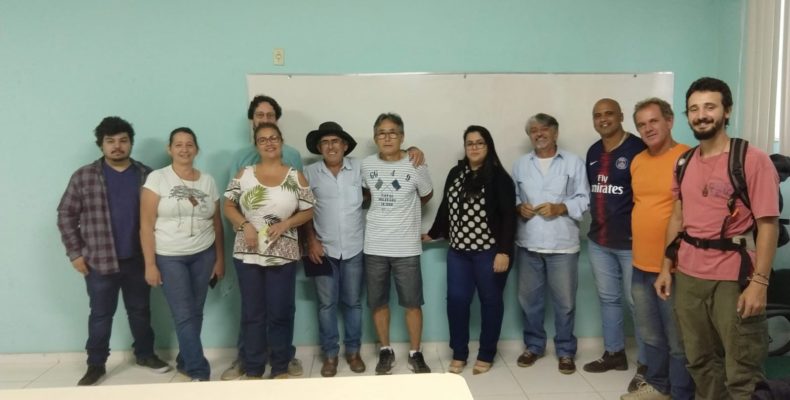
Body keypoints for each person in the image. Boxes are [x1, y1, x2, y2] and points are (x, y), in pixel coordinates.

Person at [655, 77, 779, 399]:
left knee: (742, 371)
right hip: (689, 277)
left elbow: (768, 224)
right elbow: (678, 218)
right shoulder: (684, 163)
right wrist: (666, 267)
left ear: (727, 111)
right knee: (699, 362)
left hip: (733, 279)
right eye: (694, 109)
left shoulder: (751, 159)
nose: (701, 115)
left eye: (709, 107)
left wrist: (760, 283)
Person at [303, 121, 426, 377]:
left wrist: (413, 149)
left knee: (353, 303)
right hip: (322, 250)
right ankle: (329, 355)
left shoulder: (361, 167)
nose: (331, 146)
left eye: (336, 141)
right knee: (326, 305)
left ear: (345, 145)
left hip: (355, 248)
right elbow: (303, 209)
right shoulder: (309, 172)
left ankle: (353, 352)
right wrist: (311, 241)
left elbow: (384, 179)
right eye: (325, 142)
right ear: (318, 147)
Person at [56, 116, 171, 386]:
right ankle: (96, 364)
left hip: (139, 260)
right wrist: (75, 253)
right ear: (101, 145)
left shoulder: (147, 175)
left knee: (140, 311)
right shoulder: (84, 176)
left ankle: (145, 354)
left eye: (123, 140)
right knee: (100, 315)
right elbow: (65, 214)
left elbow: (163, 215)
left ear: (131, 143)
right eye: (110, 141)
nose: (117, 146)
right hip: (98, 261)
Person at [221, 94, 304, 380]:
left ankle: (282, 361)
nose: (269, 142)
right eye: (260, 116)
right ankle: (250, 363)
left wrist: (290, 228)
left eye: (270, 117)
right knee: (252, 310)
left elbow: (306, 206)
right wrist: (244, 225)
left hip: (284, 248)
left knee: (281, 309)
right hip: (249, 248)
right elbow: (230, 204)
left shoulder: (293, 162)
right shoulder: (242, 164)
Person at [423, 125, 516, 375]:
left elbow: (509, 217)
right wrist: (433, 233)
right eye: (470, 143)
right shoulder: (456, 173)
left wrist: (504, 251)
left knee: (491, 302)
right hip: (458, 253)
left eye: (479, 143)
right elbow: (446, 207)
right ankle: (459, 353)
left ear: (488, 146)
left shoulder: (500, 178)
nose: (474, 147)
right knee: (456, 301)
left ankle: (486, 353)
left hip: (489, 252)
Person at [622, 98, 694, 400]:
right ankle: (658, 386)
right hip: (640, 264)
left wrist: (669, 260)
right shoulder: (638, 161)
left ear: (669, 121)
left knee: (677, 339)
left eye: (653, 121)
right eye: (641, 124)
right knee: (650, 334)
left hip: (673, 267)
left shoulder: (688, 158)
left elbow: (689, 214)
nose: (648, 128)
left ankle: (681, 392)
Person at [139, 127, 225, 382]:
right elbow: (146, 224)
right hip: (169, 256)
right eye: (178, 144)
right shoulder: (157, 179)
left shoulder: (207, 181)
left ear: (196, 149)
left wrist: (219, 259)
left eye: (189, 144)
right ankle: (199, 371)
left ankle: (185, 361)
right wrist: (150, 264)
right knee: (184, 314)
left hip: (203, 254)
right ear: (170, 149)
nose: (184, 149)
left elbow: (216, 222)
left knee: (195, 312)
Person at [512, 114, 589, 375]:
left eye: (544, 129)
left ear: (555, 133)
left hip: (562, 245)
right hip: (528, 243)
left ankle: (565, 350)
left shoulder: (573, 162)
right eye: (533, 130)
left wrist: (561, 207)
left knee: (565, 303)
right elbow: (512, 196)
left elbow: (584, 199)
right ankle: (533, 346)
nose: (539, 134)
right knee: (529, 301)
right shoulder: (521, 165)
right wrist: (518, 207)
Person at [583, 98, 648, 392]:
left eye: (609, 113)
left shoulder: (638, 149)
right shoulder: (593, 152)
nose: (603, 119)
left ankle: (647, 364)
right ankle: (614, 353)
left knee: (638, 303)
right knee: (608, 299)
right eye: (597, 115)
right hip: (599, 241)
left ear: (621, 116)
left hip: (632, 243)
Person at [362, 113, 433, 375]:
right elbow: (367, 194)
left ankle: (415, 353)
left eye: (393, 132)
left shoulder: (416, 163)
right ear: (375, 138)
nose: (387, 137)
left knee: (412, 303)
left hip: (406, 248)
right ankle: (385, 350)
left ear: (402, 136)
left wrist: (405, 211)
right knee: (378, 302)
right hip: (374, 246)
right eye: (381, 133)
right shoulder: (366, 165)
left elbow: (426, 195)